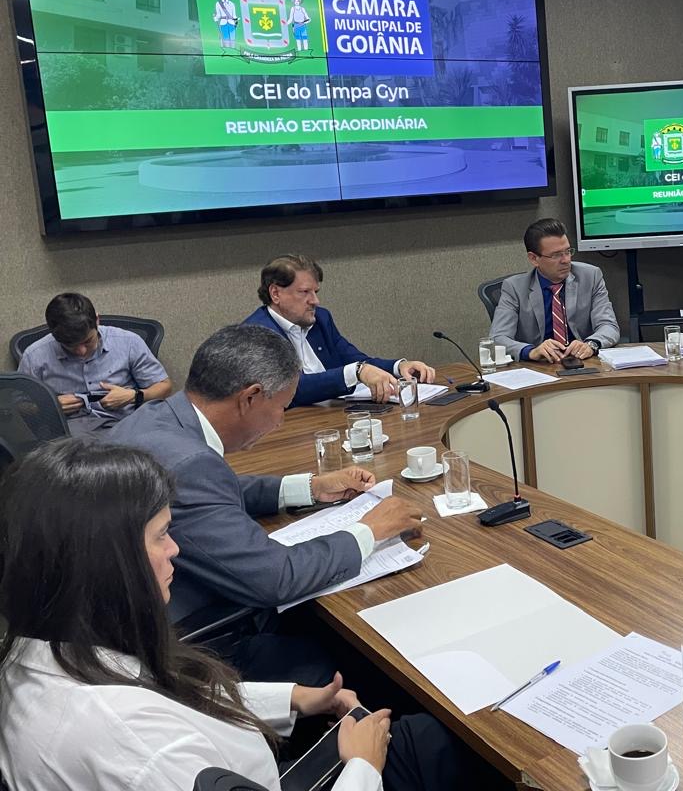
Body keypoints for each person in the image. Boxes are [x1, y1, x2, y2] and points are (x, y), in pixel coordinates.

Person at [0, 437, 501, 791]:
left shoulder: (43, 650)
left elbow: (157, 694)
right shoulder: (140, 749)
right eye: (161, 535)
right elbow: (156, 728)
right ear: (106, 563)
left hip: (243, 759)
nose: (175, 550)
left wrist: (292, 699)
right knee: (431, 742)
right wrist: (362, 767)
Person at [110, 324, 423, 683]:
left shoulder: (157, 419)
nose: (280, 422)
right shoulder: (191, 464)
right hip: (188, 640)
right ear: (250, 398)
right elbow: (276, 578)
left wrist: (310, 487)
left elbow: (209, 492)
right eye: (282, 407)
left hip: (125, 614)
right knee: (354, 653)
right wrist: (370, 530)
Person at [244, 254, 434, 406]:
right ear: (275, 293)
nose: (315, 301)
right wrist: (357, 372)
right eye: (305, 292)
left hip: (332, 415)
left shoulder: (320, 319)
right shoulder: (257, 334)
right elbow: (290, 390)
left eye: (316, 292)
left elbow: (354, 359)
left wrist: (399, 367)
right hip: (290, 428)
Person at [17, 292, 172, 435]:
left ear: (97, 320)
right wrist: (49, 406)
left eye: (87, 341)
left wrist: (134, 396)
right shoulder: (34, 356)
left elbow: (164, 387)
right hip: (69, 433)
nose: (81, 351)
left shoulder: (128, 342)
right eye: (70, 345)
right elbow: (20, 406)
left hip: (125, 425)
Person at [489, 218, 620, 364]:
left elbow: (609, 326)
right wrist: (531, 351)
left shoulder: (591, 276)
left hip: (583, 362)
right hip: (538, 367)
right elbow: (497, 338)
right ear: (534, 259)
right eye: (556, 255)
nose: (566, 260)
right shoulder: (514, 288)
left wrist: (591, 344)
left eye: (568, 251)